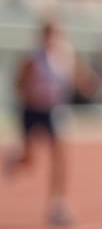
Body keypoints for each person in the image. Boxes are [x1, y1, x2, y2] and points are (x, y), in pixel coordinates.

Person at [4, 18, 96, 226]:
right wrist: (34, 94)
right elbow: (18, 83)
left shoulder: (66, 55)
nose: (52, 39)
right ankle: (14, 159)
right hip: (32, 110)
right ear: (42, 36)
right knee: (29, 161)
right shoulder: (33, 58)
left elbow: (80, 78)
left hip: (53, 111)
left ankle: (58, 203)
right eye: (49, 34)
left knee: (60, 156)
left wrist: (86, 84)